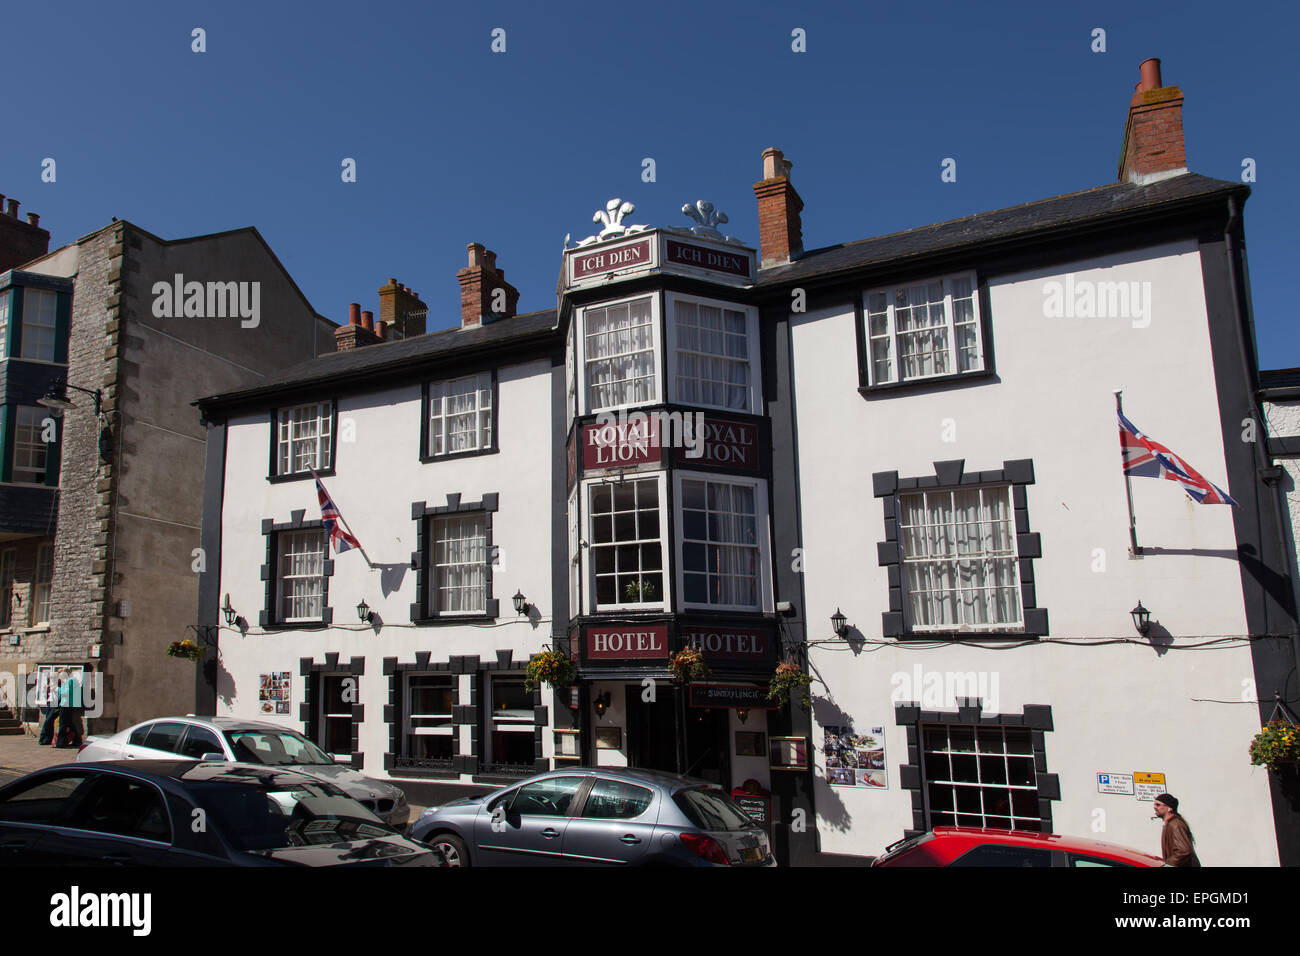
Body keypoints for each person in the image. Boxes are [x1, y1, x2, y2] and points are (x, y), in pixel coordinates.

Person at [1152, 792, 1200, 867]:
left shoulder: (1175, 825)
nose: (1154, 807)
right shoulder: (1170, 823)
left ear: (1169, 808)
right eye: (1154, 804)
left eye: (1158, 805)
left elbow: (1184, 851)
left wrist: (1168, 865)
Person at [55, 668, 84, 749]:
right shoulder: (71, 680)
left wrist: (58, 689)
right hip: (69, 704)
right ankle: (77, 740)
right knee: (70, 723)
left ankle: (61, 742)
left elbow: (67, 693)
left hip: (67, 704)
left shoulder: (69, 681)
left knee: (63, 723)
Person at [37, 670, 59, 746]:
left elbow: (58, 694)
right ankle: (47, 739)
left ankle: (42, 738)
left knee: (48, 720)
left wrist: (54, 689)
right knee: (49, 721)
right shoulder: (48, 685)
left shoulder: (58, 685)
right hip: (49, 703)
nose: (51, 680)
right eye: (50, 678)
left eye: (53, 678)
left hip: (55, 704)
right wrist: (46, 690)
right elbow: (45, 695)